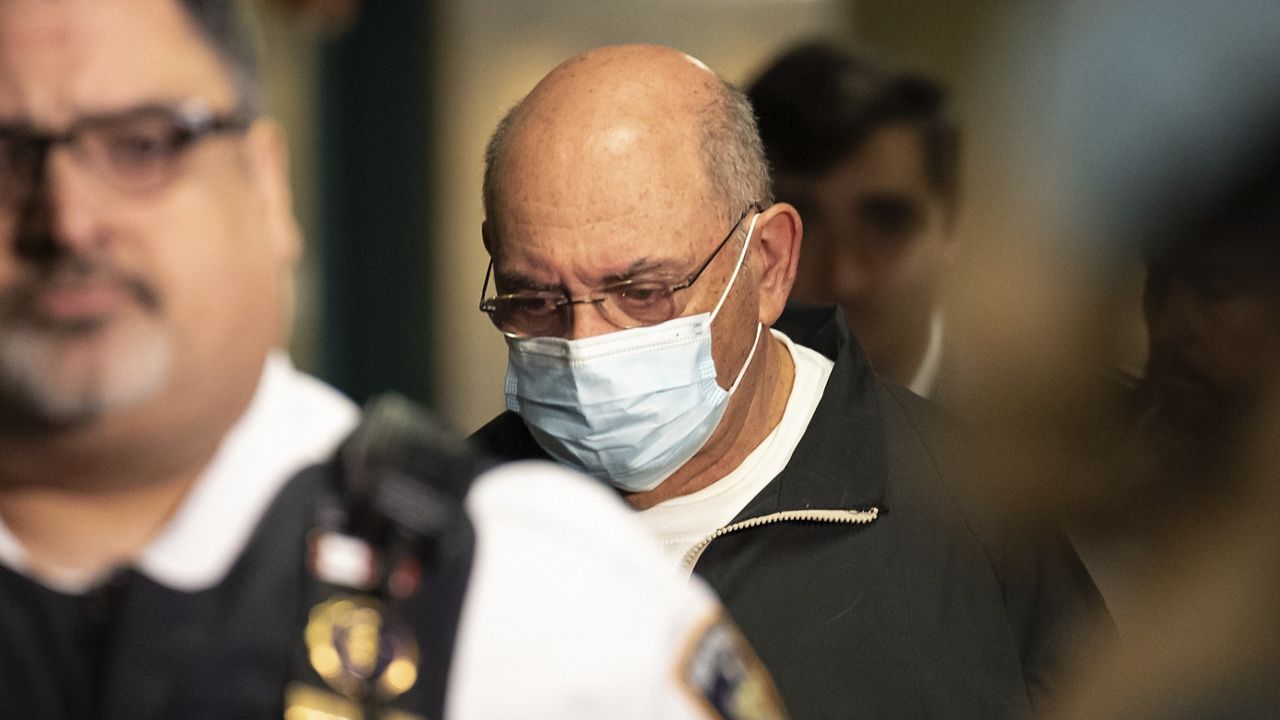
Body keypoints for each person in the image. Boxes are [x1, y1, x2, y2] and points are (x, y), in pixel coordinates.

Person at [0, 2, 786, 718]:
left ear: (268, 189)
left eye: (143, 144)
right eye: (4, 156)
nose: (69, 220)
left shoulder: (539, 601)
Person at [471, 43, 1106, 719]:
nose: (584, 347)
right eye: (534, 298)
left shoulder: (973, 516)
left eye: (643, 291)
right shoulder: (451, 526)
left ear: (768, 264)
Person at [746, 41, 960, 398]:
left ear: (952, 225)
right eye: (800, 225)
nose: (846, 278)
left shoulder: (1032, 433)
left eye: (887, 224)